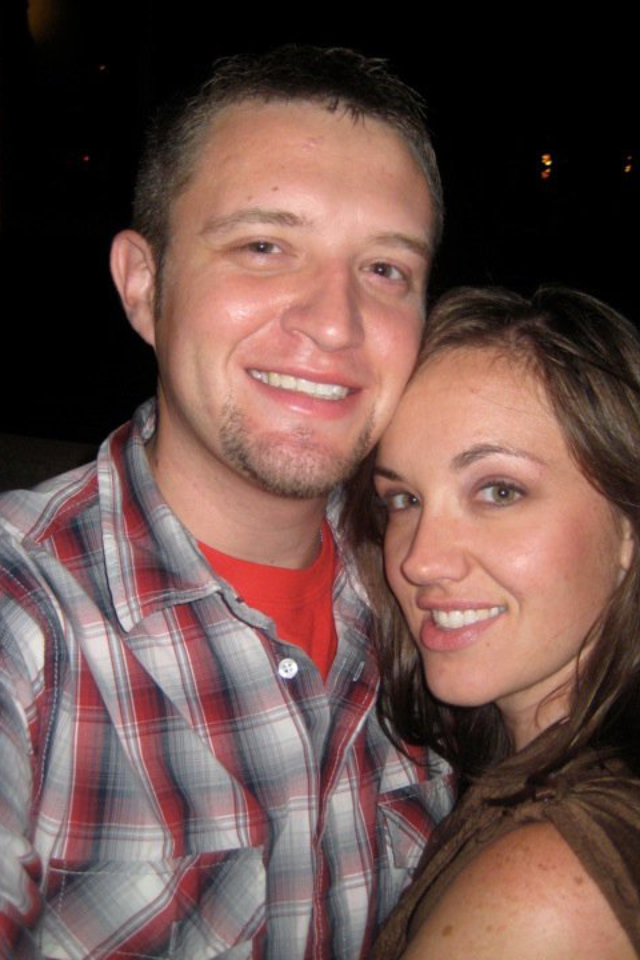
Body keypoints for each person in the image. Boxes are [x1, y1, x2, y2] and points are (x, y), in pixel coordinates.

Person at [0, 46, 454, 960]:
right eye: (263, 247)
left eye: (384, 270)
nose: (335, 323)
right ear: (144, 284)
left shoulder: (440, 595)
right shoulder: (26, 617)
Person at [344, 285, 640, 958]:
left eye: (499, 491)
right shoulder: (505, 777)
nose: (420, 560)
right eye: (403, 499)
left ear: (628, 528)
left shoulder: (546, 889)